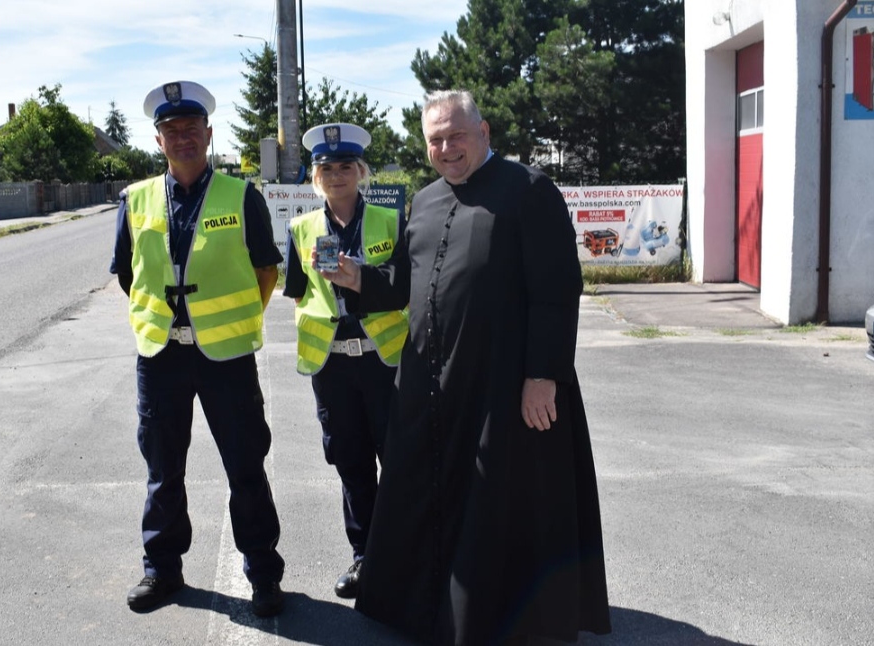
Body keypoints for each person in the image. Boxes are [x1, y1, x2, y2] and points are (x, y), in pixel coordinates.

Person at [319, 90, 612, 644]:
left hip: (504, 383)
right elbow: (404, 282)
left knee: (497, 506)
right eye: (435, 139)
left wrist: (543, 375)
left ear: (484, 132)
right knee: (425, 492)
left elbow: (557, 289)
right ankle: (422, 606)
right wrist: (357, 278)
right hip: (432, 382)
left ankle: (493, 618)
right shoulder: (425, 201)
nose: (446, 148)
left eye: (456, 135)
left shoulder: (529, 192)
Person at [109, 80, 286, 617]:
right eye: (171, 130)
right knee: (163, 469)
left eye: (191, 128)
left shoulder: (241, 194)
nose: (182, 137)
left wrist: (226, 323)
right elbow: (127, 274)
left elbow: (265, 269)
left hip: (226, 358)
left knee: (245, 468)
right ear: (158, 140)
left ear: (209, 134)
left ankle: (263, 575)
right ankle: (162, 571)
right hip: (160, 356)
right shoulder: (135, 199)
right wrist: (168, 322)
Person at [282, 123, 408, 599]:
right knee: (351, 464)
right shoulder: (300, 229)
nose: (336, 176)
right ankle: (366, 557)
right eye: (326, 168)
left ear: (361, 172)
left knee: (398, 460)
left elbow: (407, 288)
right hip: (332, 368)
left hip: (386, 362)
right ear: (316, 177)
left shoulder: (389, 222)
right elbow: (297, 297)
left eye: (345, 167)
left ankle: (407, 554)